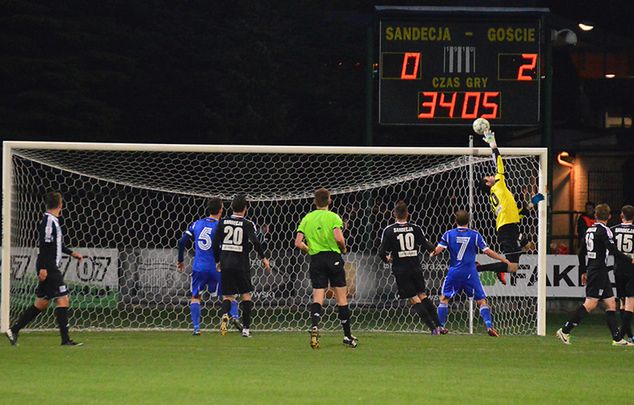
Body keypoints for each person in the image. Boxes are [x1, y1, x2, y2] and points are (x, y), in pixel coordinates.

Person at [5, 191, 84, 346]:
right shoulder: (48, 221)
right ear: (60, 204)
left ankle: (14, 329)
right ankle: (65, 340)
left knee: (41, 303)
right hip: (49, 267)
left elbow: (55, 245)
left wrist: (72, 253)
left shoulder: (52, 220)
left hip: (48, 266)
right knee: (63, 300)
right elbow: (44, 246)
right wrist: (43, 268)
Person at [556, 204, 634, 346]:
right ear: (609, 216)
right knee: (590, 304)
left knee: (611, 304)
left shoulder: (589, 230)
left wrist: (583, 271)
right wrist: (630, 259)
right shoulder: (605, 231)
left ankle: (617, 339)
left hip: (597, 270)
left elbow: (581, 253)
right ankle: (565, 330)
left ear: (595, 216)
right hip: (598, 271)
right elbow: (612, 250)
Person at [294, 188, 358, 349]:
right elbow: (339, 238)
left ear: (315, 202)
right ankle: (347, 336)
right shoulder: (333, 217)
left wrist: (309, 250)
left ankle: (315, 326)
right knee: (341, 299)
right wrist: (343, 248)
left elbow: (297, 242)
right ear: (329, 200)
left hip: (316, 260)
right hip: (333, 258)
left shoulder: (307, 218)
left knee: (318, 296)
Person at [430, 210, 511, 336]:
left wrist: (432, 252)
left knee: (444, 298)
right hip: (470, 273)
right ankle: (489, 326)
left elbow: (438, 250)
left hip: (454, 272)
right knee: (482, 301)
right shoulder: (475, 235)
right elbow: (487, 251)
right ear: (468, 220)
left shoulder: (448, 234)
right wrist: (502, 258)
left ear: (455, 220)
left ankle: (440, 327)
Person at [478, 130, 541, 285]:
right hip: (507, 230)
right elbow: (498, 161)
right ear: (488, 183)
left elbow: (519, 214)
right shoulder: (498, 184)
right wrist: (492, 143)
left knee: (529, 246)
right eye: (488, 177)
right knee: (512, 267)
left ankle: (506, 262)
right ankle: (478, 268)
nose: (491, 175)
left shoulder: (500, 195)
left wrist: (533, 202)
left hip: (510, 227)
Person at [378, 201, 445, 335]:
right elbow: (426, 244)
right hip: (415, 267)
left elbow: (381, 252)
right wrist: (435, 250)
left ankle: (432, 328)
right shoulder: (415, 228)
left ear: (394, 214)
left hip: (401, 269)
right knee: (423, 295)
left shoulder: (389, 230)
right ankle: (440, 325)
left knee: (414, 299)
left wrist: (387, 259)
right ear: (408, 214)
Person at [177, 197, 240, 335]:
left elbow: (181, 242)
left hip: (199, 267)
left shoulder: (197, 224)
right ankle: (234, 317)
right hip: (217, 267)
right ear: (221, 210)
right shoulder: (222, 225)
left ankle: (196, 328)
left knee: (195, 297)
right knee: (228, 295)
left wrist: (181, 260)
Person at [212, 195, 270, 338]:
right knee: (246, 296)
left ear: (231, 207)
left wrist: (218, 260)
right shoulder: (248, 224)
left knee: (228, 296)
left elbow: (214, 243)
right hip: (241, 264)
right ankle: (246, 330)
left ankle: (225, 315)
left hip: (226, 263)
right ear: (245, 209)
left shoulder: (222, 222)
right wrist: (263, 257)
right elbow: (256, 242)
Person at [611, 205, 634, 344]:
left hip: (618, 269)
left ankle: (630, 337)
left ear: (621, 216)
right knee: (630, 304)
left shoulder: (613, 230)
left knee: (622, 302)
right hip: (631, 269)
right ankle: (620, 337)